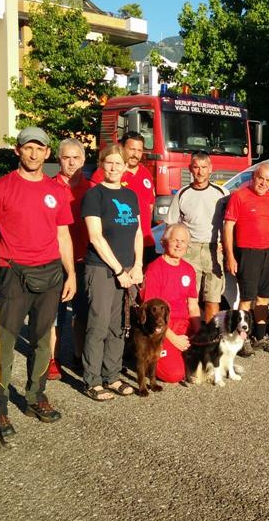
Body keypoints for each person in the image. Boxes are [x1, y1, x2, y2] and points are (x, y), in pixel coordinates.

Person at [0, 126, 74, 439]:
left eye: (40, 148)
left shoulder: (56, 191)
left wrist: (71, 274)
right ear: (18, 151)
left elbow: (63, 235)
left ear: (47, 153)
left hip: (51, 274)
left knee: (42, 340)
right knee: (6, 344)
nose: (34, 154)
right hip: (14, 274)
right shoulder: (2, 187)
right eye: (28, 148)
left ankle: (35, 397)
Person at [80, 145, 144, 401]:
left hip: (128, 269)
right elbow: (95, 237)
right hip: (102, 268)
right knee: (99, 324)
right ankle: (92, 380)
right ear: (101, 165)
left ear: (126, 166)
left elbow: (138, 232)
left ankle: (112, 375)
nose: (114, 167)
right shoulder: (94, 195)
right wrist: (118, 270)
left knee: (119, 325)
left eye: (119, 163)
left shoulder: (131, 195)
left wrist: (138, 265)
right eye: (109, 163)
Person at [224, 162, 269, 352]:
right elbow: (228, 227)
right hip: (248, 253)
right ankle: (241, 340)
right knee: (246, 298)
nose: (263, 183)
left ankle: (259, 336)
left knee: (264, 298)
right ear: (253, 177)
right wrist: (230, 256)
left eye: (268, 180)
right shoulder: (239, 196)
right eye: (260, 178)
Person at [48, 138, 93, 379]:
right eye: (67, 158)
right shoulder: (48, 187)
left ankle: (78, 355)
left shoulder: (93, 189)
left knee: (81, 313)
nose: (72, 162)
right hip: (55, 260)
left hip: (84, 260)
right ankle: (52, 359)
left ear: (83, 160)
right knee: (55, 314)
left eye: (76, 158)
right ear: (59, 160)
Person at [165, 151, 228, 323]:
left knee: (213, 299)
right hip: (189, 250)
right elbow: (171, 226)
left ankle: (211, 334)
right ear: (190, 169)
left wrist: (226, 245)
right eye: (196, 167)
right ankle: (190, 333)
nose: (200, 172)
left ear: (211, 169)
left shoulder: (222, 193)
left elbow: (230, 223)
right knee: (188, 298)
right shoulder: (182, 193)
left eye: (204, 167)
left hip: (213, 250)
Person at [140, 223, 201, 383]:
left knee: (207, 360)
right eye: (175, 240)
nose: (179, 245)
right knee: (174, 375)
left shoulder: (188, 269)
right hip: (162, 328)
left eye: (183, 241)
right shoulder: (154, 269)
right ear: (164, 242)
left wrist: (199, 334)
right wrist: (174, 339)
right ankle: (147, 359)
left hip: (184, 325)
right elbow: (151, 315)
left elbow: (193, 306)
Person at [91, 131, 157, 265]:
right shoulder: (108, 173)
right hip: (117, 245)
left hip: (145, 242)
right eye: (132, 149)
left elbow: (150, 206)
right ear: (121, 147)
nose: (135, 154)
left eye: (139, 150)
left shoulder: (146, 173)